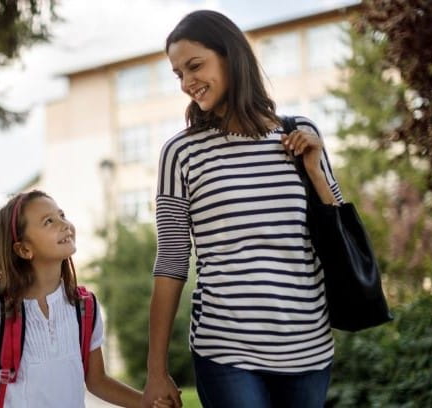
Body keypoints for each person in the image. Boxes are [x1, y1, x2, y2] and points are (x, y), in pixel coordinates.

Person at [142, 10, 343, 408]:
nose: (187, 83)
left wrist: (316, 172)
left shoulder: (300, 134)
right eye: (179, 74)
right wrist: (155, 370)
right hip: (227, 350)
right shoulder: (181, 153)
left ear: (231, 56)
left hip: (308, 346)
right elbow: (171, 261)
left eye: (195, 66)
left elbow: (338, 235)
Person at [0, 190, 173, 407]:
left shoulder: (84, 308)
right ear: (24, 249)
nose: (64, 224)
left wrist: (147, 403)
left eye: (62, 215)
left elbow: (97, 380)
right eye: (48, 221)